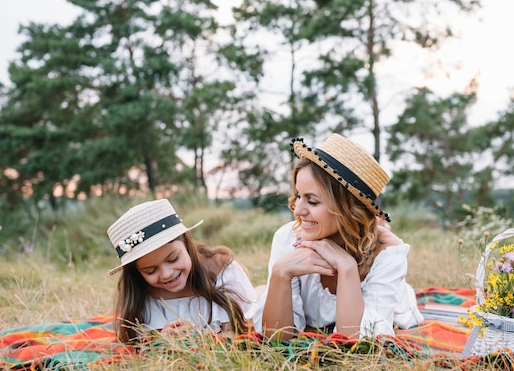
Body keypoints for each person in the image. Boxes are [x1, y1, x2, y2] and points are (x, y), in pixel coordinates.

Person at [253, 133, 423, 341]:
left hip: (394, 304)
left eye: (312, 201)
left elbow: (356, 341)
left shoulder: (387, 252)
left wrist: (346, 266)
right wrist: (280, 273)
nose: (297, 210)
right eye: (298, 196)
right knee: (262, 295)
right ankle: (261, 290)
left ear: (348, 209)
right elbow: (277, 338)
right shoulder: (288, 238)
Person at [106, 198, 256, 343]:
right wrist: (163, 337)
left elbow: (246, 325)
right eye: (150, 271)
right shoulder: (140, 293)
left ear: (186, 242)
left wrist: (210, 338)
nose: (166, 274)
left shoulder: (221, 268)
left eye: (173, 259)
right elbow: (137, 339)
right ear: (137, 273)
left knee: (260, 297)